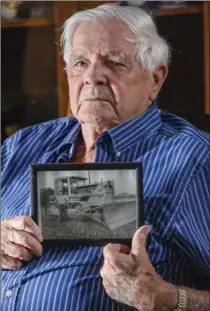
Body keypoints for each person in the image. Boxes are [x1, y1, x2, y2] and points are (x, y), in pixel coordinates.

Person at [1, 4, 209, 311]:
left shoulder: (193, 159)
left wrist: (165, 298)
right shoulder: (23, 144)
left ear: (155, 80)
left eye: (114, 62)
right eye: (80, 63)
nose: (92, 77)